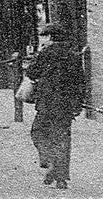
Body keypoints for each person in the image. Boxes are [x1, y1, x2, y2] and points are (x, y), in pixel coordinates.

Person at [26, 23, 85, 190]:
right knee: (62, 139)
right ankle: (61, 179)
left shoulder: (45, 53)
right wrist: (78, 104)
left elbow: (31, 73)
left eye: (43, 36)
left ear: (50, 37)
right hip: (66, 104)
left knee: (38, 132)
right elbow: (80, 82)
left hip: (47, 102)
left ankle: (50, 161)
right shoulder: (73, 55)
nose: (42, 39)